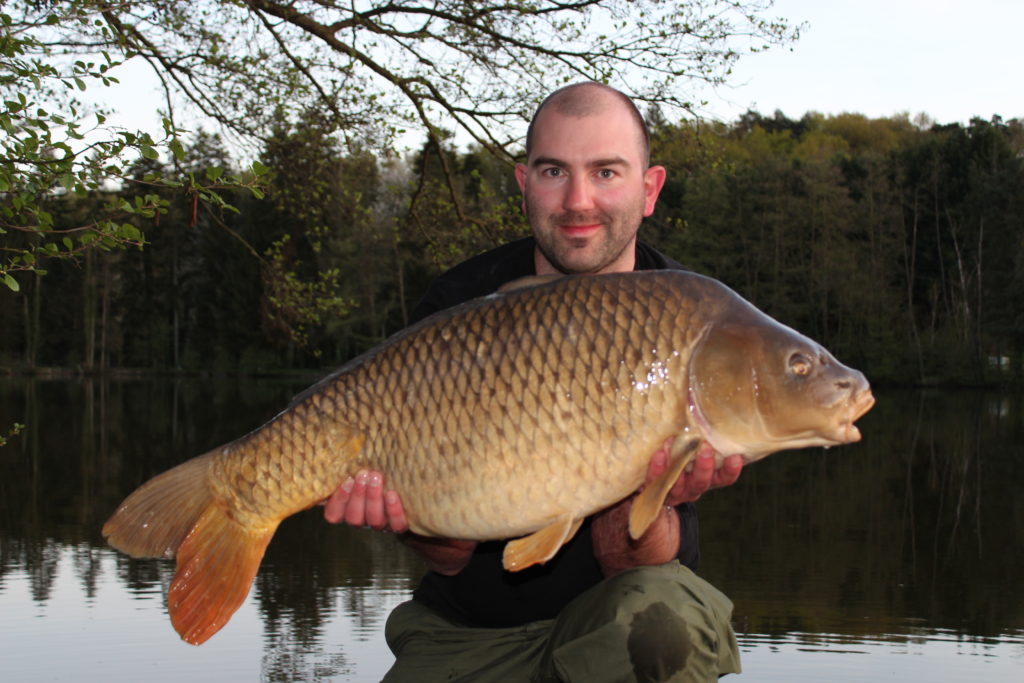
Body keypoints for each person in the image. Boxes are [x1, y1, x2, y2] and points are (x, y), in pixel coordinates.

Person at [324, 82, 745, 681]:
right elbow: (449, 559)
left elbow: (632, 564)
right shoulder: (458, 306)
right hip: (467, 629)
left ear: (649, 189)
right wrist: (404, 511)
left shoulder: (692, 318)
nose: (578, 200)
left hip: (623, 617)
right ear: (524, 185)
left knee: (665, 624)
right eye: (554, 171)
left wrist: (651, 492)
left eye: (606, 172)